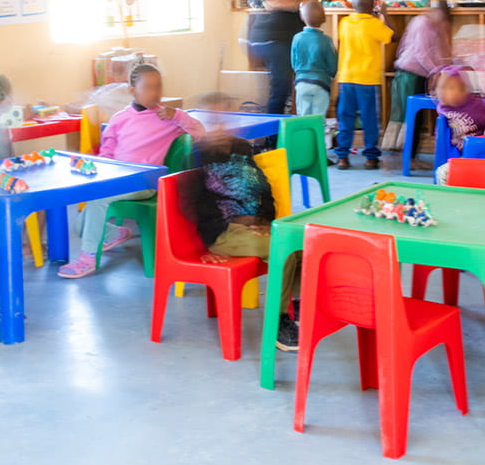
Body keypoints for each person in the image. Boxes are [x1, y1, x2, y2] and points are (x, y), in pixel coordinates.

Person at [58, 63, 205, 278]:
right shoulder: (119, 119)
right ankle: (115, 234)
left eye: (158, 87)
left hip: (146, 183)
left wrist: (177, 115)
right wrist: (102, 173)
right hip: (118, 179)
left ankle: (88, 258)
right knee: (81, 220)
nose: (154, 93)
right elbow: (107, 152)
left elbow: (200, 132)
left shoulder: (168, 118)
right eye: (147, 87)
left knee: (97, 201)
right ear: (132, 90)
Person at [193, 132, 302, 351]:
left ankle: (298, 308)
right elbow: (193, 205)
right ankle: (277, 322)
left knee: (300, 243)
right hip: (223, 231)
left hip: (251, 227)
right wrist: (204, 244)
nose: (221, 127)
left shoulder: (241, 148)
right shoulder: (197, 156)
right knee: (284, 251)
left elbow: (264, 188)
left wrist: (264, 220)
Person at [335, 0, 394, 170]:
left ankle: (342, 157)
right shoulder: (375, 24)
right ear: (374, 5)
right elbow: (392, 36)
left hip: (346, 78)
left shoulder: (344, 23)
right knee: (369, 119)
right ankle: (370, 157)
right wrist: (385, 15)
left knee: (345, 118)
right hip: (368, 80)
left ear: (352, 4)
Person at [382, 0, 452, 151]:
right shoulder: (422, 23)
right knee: (406, 117)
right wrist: (437, 72)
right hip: (409, 74)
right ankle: (398, 157)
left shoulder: (435, 26)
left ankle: (410, 156)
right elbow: (421, 53)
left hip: (420, 74)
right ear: (435, 12)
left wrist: (446, 68)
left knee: (417, 118)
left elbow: (440, 52)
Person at [433, 66, 485, 184]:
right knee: (443, 174)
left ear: (464, 91)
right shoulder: (442, 108)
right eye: (440, 87)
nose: (442, 92)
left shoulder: (476, 107)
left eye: (450, 88)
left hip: (477, 154)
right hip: (454, 154)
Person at [290, 0, 337, 117]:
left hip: (301, 83)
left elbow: (294, 63)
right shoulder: (327, 40)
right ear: (323, 19)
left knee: (303, 118)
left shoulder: (297, 38)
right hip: (321, 84)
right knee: (318, 120)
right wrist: (331, 75)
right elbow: (333, 65)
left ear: (302, 17)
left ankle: (304, 136)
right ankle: (318, 136)